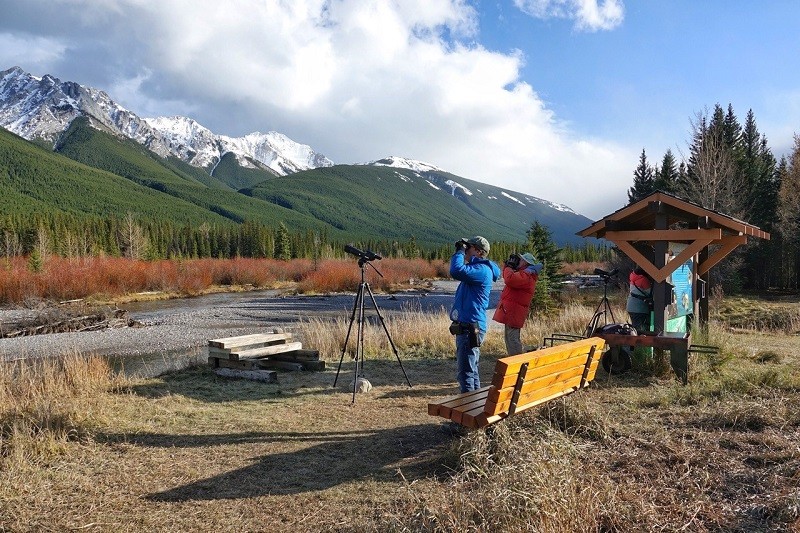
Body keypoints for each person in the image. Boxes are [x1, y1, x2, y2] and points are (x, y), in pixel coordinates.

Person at [449, 236, 501, 393]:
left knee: (466, 374)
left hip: (469, 327)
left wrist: (458, 252)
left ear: (478, 252)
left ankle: (468, 413)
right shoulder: (478, 269)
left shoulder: (481, 270)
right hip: (470, 325)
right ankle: (475, 411)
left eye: (468, 247)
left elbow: (456, 270)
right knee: (472, 372)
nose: (466, 249)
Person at [493, 252, 543, 355]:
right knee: (510, 337)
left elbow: (510, 279)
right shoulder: (525, 274)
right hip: (513, 311)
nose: (518, 261)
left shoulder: (527, 276)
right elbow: (509, 277)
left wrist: (508, 267)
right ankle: (514, 360)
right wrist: (508, 267)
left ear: (525, 262)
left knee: (512, 338)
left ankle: (517, 363)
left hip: (514, 312)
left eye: (520, 260)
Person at [627, 265, 653, 333]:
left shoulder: (632, 276)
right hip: (639, 308)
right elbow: (650, 292)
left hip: (630, 305)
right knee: (639, 330)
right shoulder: (644, 280)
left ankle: (633, 341)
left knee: (635, 327)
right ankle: (638, 343)